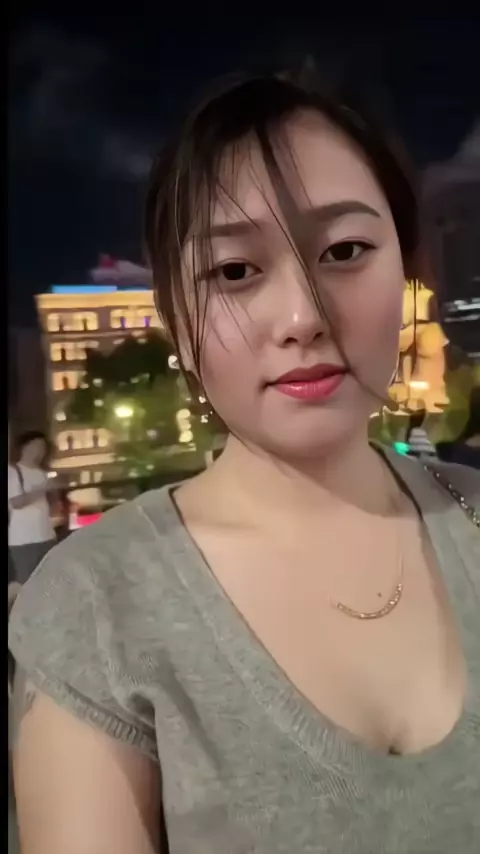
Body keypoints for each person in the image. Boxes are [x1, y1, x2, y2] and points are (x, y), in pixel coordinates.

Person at [9, 75, 480, 853]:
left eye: (345, 251)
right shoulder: (98, 604)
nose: (303, 317)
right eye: (234, 271)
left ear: (407, 271)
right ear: (175, 320)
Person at [8, 431, 56, 586]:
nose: (40, 451)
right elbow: (16, 502)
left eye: (43, 447)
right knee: (28, 584)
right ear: (24, 447)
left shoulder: (42, 473)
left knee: (49, 580)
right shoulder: (13, 471)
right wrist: (43, 489)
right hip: (24, 540)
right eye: (36, 446)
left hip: (47, 536)